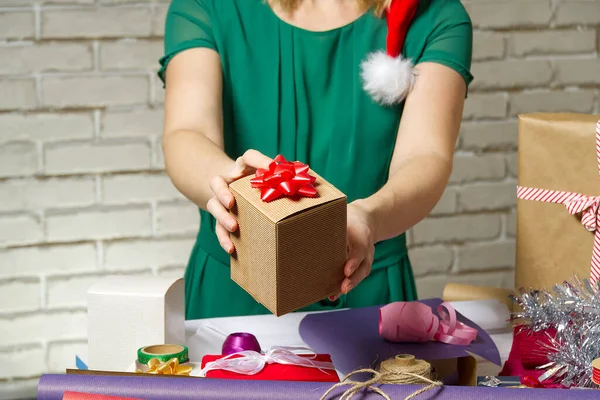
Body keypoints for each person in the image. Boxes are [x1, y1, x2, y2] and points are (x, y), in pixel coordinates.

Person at [159, 0, 473, 320]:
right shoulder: (207, 6)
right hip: (234, 288)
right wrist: (232, 187)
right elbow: (187, 131)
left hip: (366, 293)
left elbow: (425, 154)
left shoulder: (436, 15)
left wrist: (368, 217)